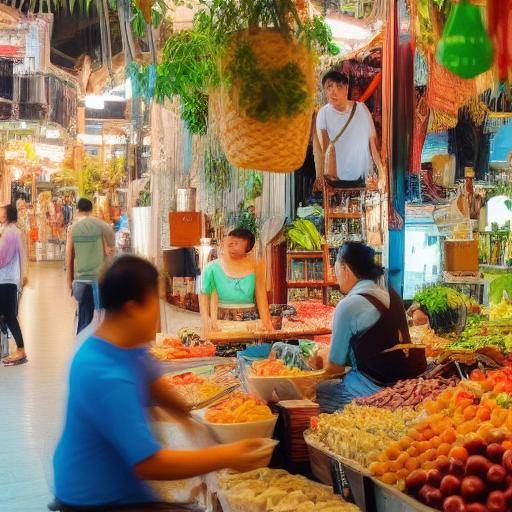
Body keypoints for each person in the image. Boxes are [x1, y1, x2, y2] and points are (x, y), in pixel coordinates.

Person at [53, 255, 273, 511]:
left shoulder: (125, 345)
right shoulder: (103, 372)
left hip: (122, 488)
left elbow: (155, 384)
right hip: (95, 499)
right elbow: (149, 463)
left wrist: (191, 416)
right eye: (155, 302)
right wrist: (229, 455)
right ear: (133, 308)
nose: (159, 312)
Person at [314, 242, 426, 413]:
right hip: (403, 385)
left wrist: (313, 367)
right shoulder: (391, 294)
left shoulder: (348, 306)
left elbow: (334, 368)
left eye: (336, 270)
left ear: (345, 269)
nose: (336, 277)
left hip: (370, 389)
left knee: (316, 392)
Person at [315, 70, 386, 190]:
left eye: (338, 87)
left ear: (346, 88)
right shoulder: (323, 113)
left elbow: (373, 143)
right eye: (329, 87)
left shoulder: (362, 109)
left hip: (364, 177)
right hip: (337, 180)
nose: (334, 92)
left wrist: (381, 172)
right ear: (325, 91)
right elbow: (325, 149)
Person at [199, 228, 273, 336]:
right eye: (231, 244)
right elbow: (203, 297)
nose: (233, 248)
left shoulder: (257, 266)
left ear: (247, 248)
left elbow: (261, 297)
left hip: (249, 320)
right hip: (220, 320)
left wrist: (267, 324)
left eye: (238, 244)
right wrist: (206, 321)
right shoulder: (211, 268)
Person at [66, 197, 115, 334]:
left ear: (77, 211)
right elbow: (110, 250)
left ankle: (81, 348)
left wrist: (69, 281)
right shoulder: (100, 227)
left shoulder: (72, 229)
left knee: (84, 319)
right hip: (98, 280)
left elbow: (69, 257)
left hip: (81, 281)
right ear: (91, 210)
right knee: (100, 319)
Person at [0, 205, 28, 366]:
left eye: (2, 212)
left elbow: (2, 258)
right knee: (8, 315)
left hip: (6, 280)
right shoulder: (8, 230)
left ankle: (20, 348)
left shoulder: (10, 233)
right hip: (7, 280)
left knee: (10, 316)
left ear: (7, 215)